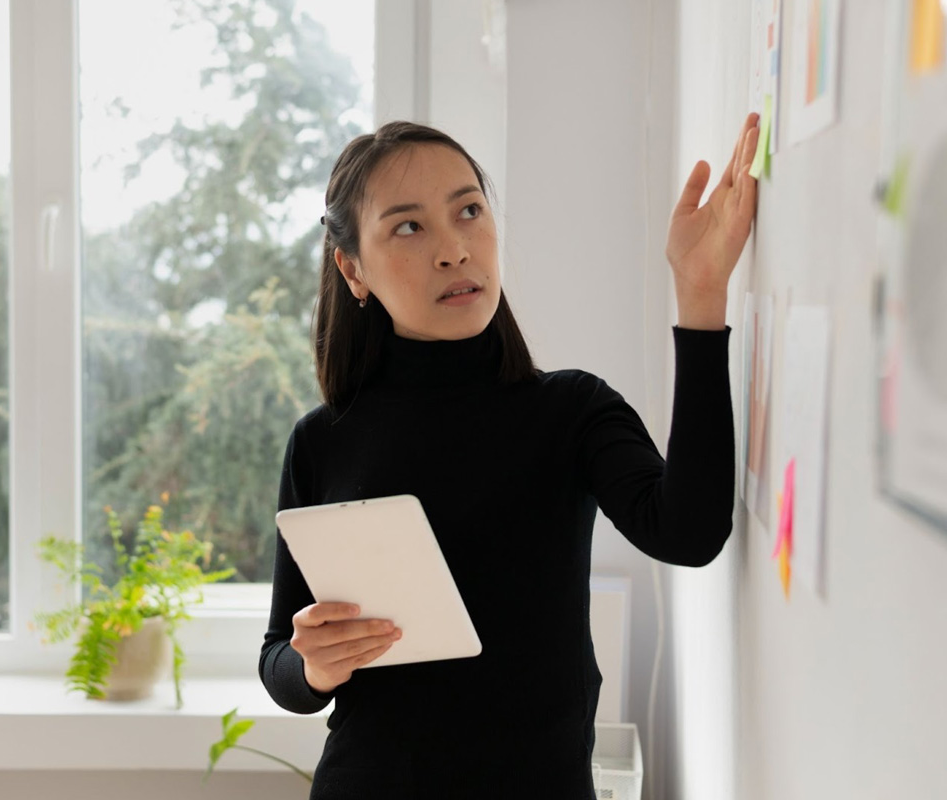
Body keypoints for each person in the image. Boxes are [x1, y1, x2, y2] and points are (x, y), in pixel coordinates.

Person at [260, 115, 761, 799]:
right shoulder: (322, 441)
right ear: (353, 269)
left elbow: (690, 532)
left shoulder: (573, 412)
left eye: (468, 210)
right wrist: (313, 663)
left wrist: (700, 296)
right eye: (409, 226)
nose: (453, 249)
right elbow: (281, 668)